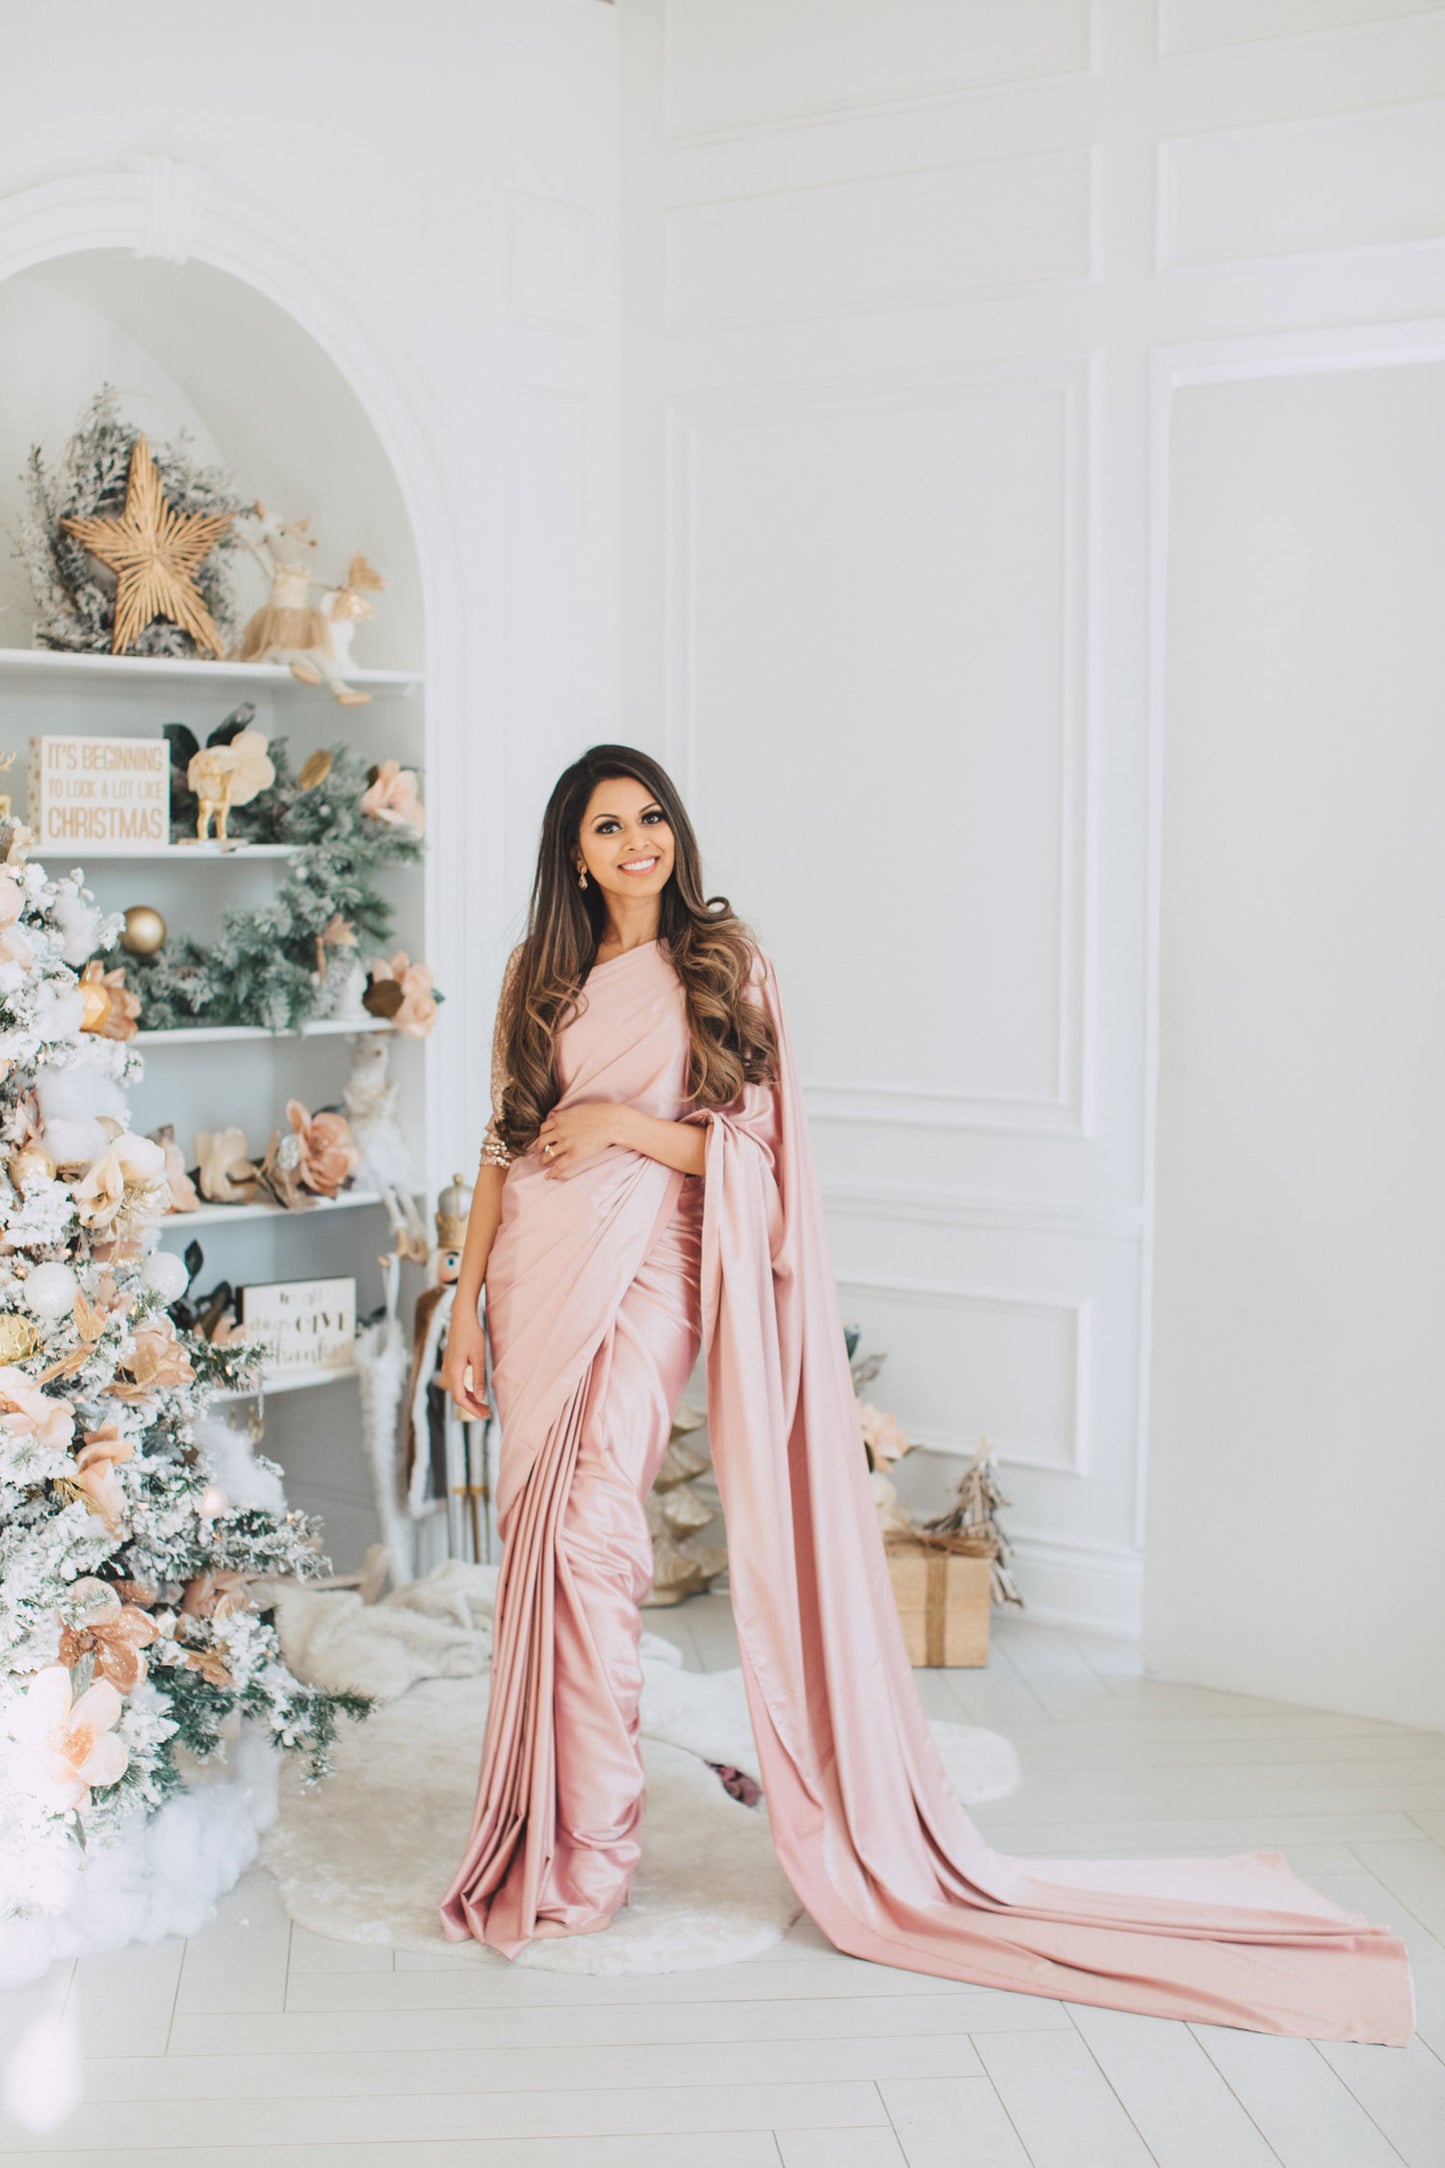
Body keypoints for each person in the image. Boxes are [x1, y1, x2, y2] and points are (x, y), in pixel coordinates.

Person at [438, 744, 1413, 2045]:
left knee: (593, 1534)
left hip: (653, 1271)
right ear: (573, 849)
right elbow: (507, 1144)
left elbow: (757, 1153)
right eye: (609, 824)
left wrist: (618, 1127)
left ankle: (595, 1850)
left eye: (652, 816)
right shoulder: (533, 975)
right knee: (545, 1555)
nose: (638, 841)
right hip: (535, 1272)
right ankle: (552, 1824)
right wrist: (459, 1304)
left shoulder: (722, 963)